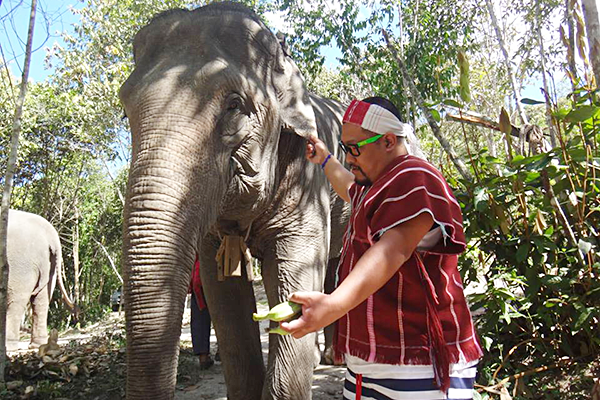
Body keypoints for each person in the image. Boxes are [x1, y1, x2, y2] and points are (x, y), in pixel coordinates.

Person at [281, 97, 483, 399]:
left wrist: (332, 306)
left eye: (354, 148)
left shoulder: (416, 177)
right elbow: (348, 186)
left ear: (388, 141)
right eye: (344, 147)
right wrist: (325, 160)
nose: (349, 157)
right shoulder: (377, 185)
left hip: (420, 366)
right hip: (371, 365)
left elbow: (393, 251)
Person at [189, 256, 215, 370]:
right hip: (215, 274)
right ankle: (224, 352)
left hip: (198, 279)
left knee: (200, 318)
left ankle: (203, 357)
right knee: (222, 315)